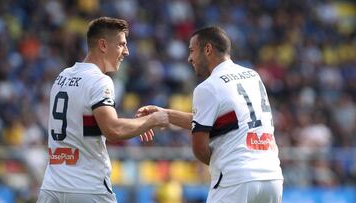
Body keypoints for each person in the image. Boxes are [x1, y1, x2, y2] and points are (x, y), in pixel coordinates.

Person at [138, 26, 283, 203]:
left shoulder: (208, 87)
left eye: (192, 50)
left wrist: (223, 164)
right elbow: (227, 122)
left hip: (235, 179)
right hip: (272, 176)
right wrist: (166, 115)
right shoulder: (253, 75)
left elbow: (200, 148)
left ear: (207, 49)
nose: (189, 58)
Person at [37, 17, 169, 203]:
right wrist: (153, 120)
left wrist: (136, 123)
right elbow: (113, 129)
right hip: (88, 188)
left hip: (52, 188)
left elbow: (90, 123)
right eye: (122, 44)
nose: (127, 51)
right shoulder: (100, 80)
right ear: (103, 45)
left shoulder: (62, 77)